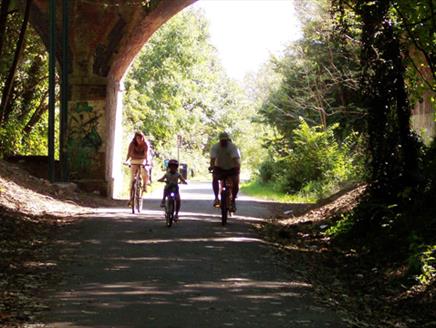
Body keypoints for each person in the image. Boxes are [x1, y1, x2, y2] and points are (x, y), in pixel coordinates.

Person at [209, 132, 241, 211]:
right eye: (222, 140)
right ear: (219, 140)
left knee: (235, 182)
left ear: (228, 140)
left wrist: (238, 168)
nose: (223, 142)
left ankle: (233, 200)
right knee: (215, 179)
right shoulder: (215, 147)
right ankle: (216, 198)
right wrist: (211, 166)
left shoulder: (233, 147)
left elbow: (236, 159)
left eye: (225, 140)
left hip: (232, 168)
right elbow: (213, 159)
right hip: (219, 167)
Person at [125, 131, 149, 204]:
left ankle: (145, 185)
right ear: (135, 138)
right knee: (132, 180)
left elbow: (146, 155)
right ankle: (131, 199)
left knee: (145, 171)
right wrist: (126, 161)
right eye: (137, 138)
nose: (139, 140)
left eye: (140, 138)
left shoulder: (145, 144)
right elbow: (129, 153)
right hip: (134, 160)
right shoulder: (132, 144)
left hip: (142, 160)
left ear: (143, 138)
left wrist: (147, 162)